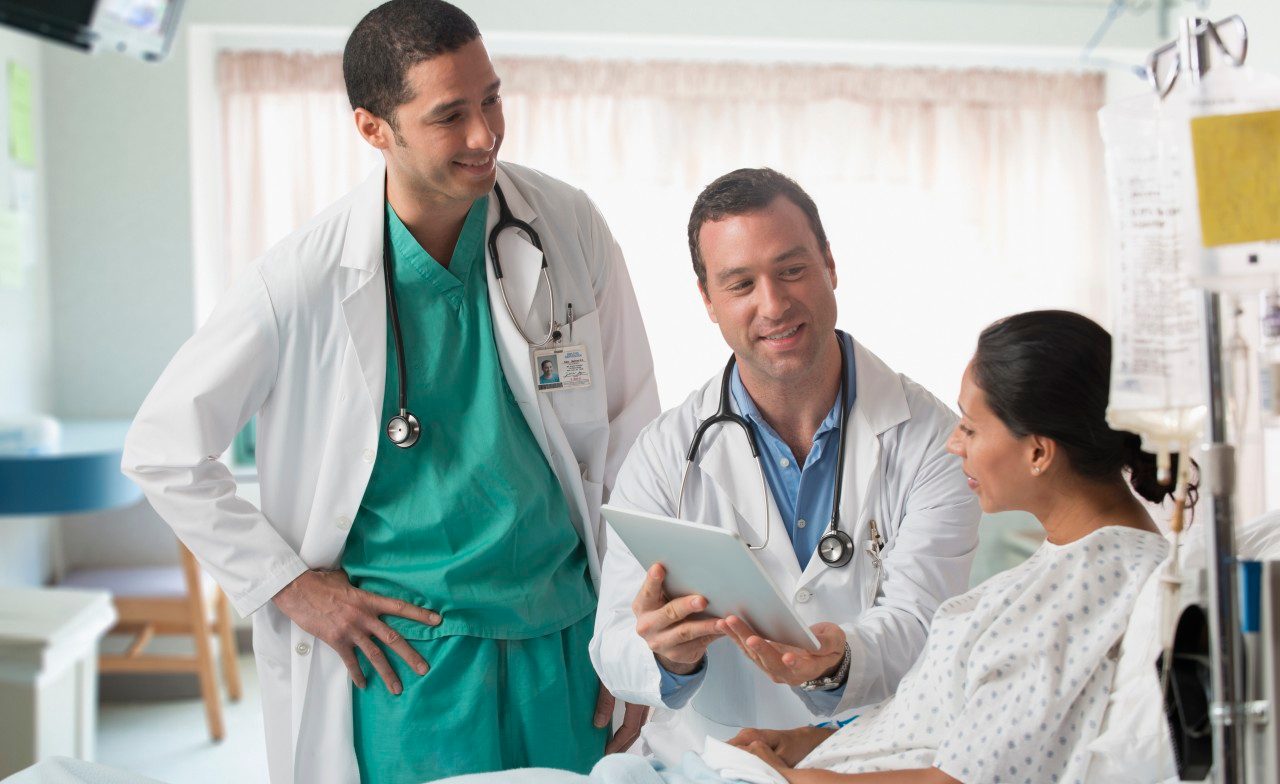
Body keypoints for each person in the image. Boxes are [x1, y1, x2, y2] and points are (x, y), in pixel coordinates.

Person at [120, 2, 658, 782]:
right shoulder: (302, 279)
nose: (486, 135)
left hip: (565, 639)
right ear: (374, 129)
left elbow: (635, 434)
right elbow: (163, 450)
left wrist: (629, 637)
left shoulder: (565, 226)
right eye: (450, 116)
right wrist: (292, 587)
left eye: (492, 99)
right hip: (409, 663)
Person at [436, 310, 1177, 784]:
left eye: (974, 429)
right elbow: (944, 716)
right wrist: (797, 739)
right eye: (739, 283)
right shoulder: (1065, 568)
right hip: (765, 750)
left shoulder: (1086, 585)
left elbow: (973, 776)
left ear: (1040, 452)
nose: (956, 443)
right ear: (705, 297)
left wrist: (803, 776)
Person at [589, 168, 982, 762]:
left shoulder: (931, 441)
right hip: (703, 761)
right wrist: (666, 655)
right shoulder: (667, 452)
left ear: (830, 265)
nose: (773, 304)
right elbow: (613, 646)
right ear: (708, 301)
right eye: (741, 283)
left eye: (792, 270)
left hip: (868, 762)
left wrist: (837, 662)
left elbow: (922, 627)